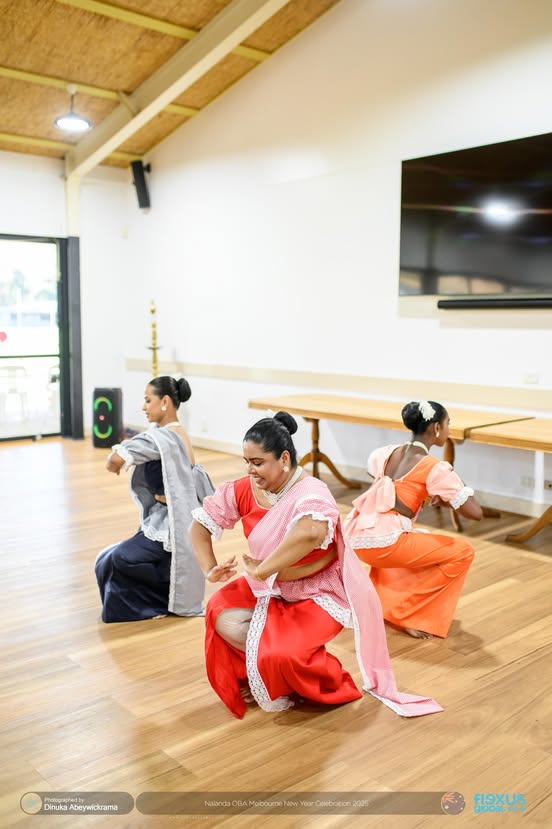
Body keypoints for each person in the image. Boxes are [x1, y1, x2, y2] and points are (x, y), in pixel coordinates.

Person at [188, 410, 442, 719]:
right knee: (219, 613)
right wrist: (209, 568)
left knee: (284, 653)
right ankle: (268, 669)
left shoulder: (311, 492)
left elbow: (311, 532)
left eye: (257, 463)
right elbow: (199, 527)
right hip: (268, 585)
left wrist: (263, 569)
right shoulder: (244, 489)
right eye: (247, 462)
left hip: (316, 590)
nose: (250, 470)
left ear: (284, 458)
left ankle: (322, 681)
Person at [343, 400, 482, 639]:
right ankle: (409, 613)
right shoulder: (434, 467)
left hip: (357, 537)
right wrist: (455, 486)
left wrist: (433, 495)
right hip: (385, 544)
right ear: (436, 428)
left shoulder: (384, 453)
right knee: (462, 552)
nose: (449, 430)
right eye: (448, 424)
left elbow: (386, 485)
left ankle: (388, 607)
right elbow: (475, 513)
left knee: (417, 542)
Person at [95, 376, 214, 623]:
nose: (143, 406)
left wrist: (118, 460)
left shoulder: (167, 438)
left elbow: (114, 461)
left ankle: (158, 602)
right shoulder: (165, 435)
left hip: (173, 526)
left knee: (118, 560)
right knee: (105, 558)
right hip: (162, 517)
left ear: (165, 402)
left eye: (148, 400)